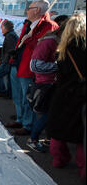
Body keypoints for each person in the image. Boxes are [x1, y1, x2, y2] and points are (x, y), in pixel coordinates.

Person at [6, 0, 59, 136]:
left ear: (36, 10)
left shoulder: (49, 26)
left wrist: (30, 40)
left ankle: (28, 124)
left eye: (29, 8)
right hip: (18, 63)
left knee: (27, 98)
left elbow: (46, 48)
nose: (27, 10)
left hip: (29, 68)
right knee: (18, 96)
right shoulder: (28, 24)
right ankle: (21, 118)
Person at [46, 13, 85, 176]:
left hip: (65, 94)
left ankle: (58, 159)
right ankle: (83, 168)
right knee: (82, 134)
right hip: (82, 94)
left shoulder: (63, 50)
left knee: (58, 130)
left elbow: (60, 74)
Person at [26, 15, 68, 153]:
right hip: (46, 84)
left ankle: (48, 139)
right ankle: (33, 139)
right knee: (48, 113)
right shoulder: (49, 41)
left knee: (52, 113)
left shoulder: (56, 41)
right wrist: (60, 66)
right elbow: (35, 65)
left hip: (53, 83)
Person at [0, 20, 18, 99]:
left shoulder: (10, 36)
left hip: (7, 61)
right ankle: (8, 93)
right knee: (9, 78)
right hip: (9, 60)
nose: (1, 30)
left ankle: (3, 92)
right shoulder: (11, 35)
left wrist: (2, 60)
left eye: (2, 28)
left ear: (5, 28)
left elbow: (9, 50)